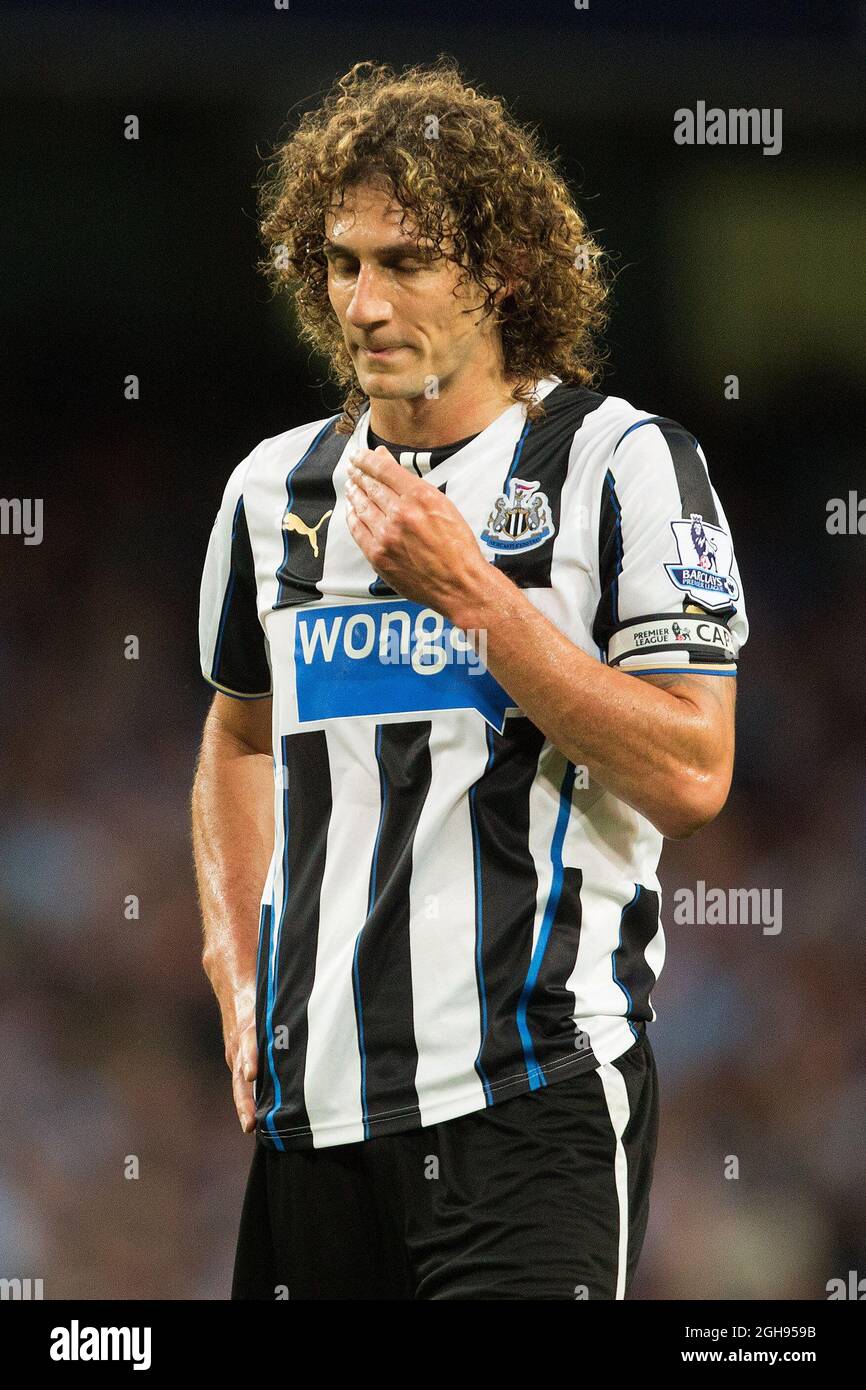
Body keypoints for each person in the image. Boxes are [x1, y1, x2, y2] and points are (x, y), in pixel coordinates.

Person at [191, 58, 748, 1300]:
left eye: (406, 262)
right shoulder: (273, 490)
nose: (363, 304)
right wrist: (236, 963)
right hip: (312, 1120)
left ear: (501, 268)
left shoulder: (619, 466)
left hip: (529, 1103)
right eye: (341, 263)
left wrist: (474, 598)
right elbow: (238, 736)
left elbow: (690, 770)